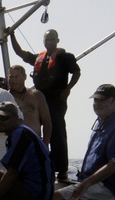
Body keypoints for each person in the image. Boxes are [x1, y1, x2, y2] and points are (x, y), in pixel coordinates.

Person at [8, 28, 81, 181]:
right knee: (32, 131)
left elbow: (76, 72)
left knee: (57, 133)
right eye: (47, 39)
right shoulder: (37, 58)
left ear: (57, 41)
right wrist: (12, 35)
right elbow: (20, 53)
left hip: (56, 100)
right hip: (39, 98)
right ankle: (38, 165)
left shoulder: (65, 57)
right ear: (43, 41)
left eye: (52, 39)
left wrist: (68, 89)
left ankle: (61, 171)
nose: (49, 42)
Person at [55, 84, 115, 200]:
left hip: (108, 189)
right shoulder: (99, 124)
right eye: (96, 100)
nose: (98, 103)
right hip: (93, 184)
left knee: (52, 197)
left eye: (103, 100)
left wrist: (85, 184)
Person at [0, 101, 54, 200]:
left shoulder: (21, 134)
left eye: (4, 118)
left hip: (36, 195)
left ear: (16, 118)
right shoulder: (20, 132)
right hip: (36, 190)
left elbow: (12, 174)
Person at [7, 65, 52, 145]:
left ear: (24, 77)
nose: (13, 80)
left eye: (16, 76)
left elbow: (46, 121)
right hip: (11, 144)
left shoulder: (36, 95)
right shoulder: (4, 97)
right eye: (11, 77)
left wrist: (45, 143)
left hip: (33, 143)